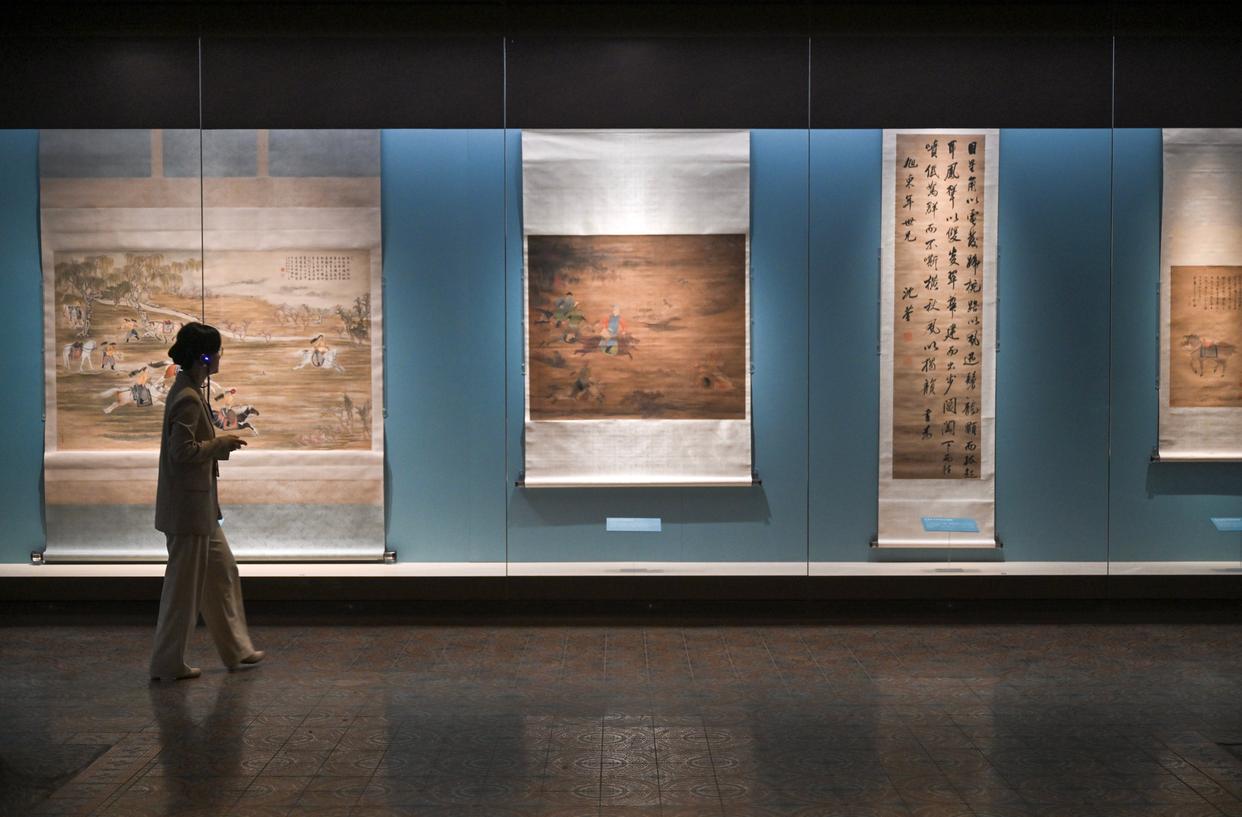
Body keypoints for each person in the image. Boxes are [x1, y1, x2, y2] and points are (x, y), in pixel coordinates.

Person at [149, 322, 264, 681]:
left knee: (222, 574)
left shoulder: (190, 391)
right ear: (204, 357)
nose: (219, 357)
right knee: (183, 593)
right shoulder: (187, 397)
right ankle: (167, 663)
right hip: (188, 513)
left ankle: (236, 648)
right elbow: (181, 451)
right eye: (216, 351)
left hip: (200, 510)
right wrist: (220, 445)